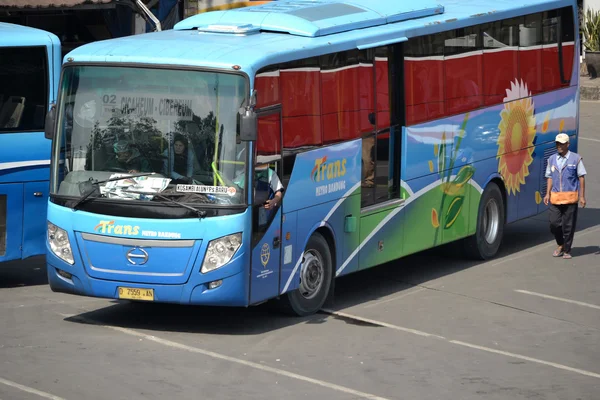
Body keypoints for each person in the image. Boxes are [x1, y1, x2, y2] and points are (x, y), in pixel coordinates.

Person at [543, 133, 587, 260]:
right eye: (557, 143)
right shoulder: (551, 159)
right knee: (554, 224)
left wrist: (582, 196)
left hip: (570, 198)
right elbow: (549, 177)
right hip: (555, 197)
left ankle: (567, 250)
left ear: (568, 144)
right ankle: (560, 244)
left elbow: (581, 177)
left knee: (568, 226)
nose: (559, 146)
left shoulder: (576, 159)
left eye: (561, 144)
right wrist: (547, 193)